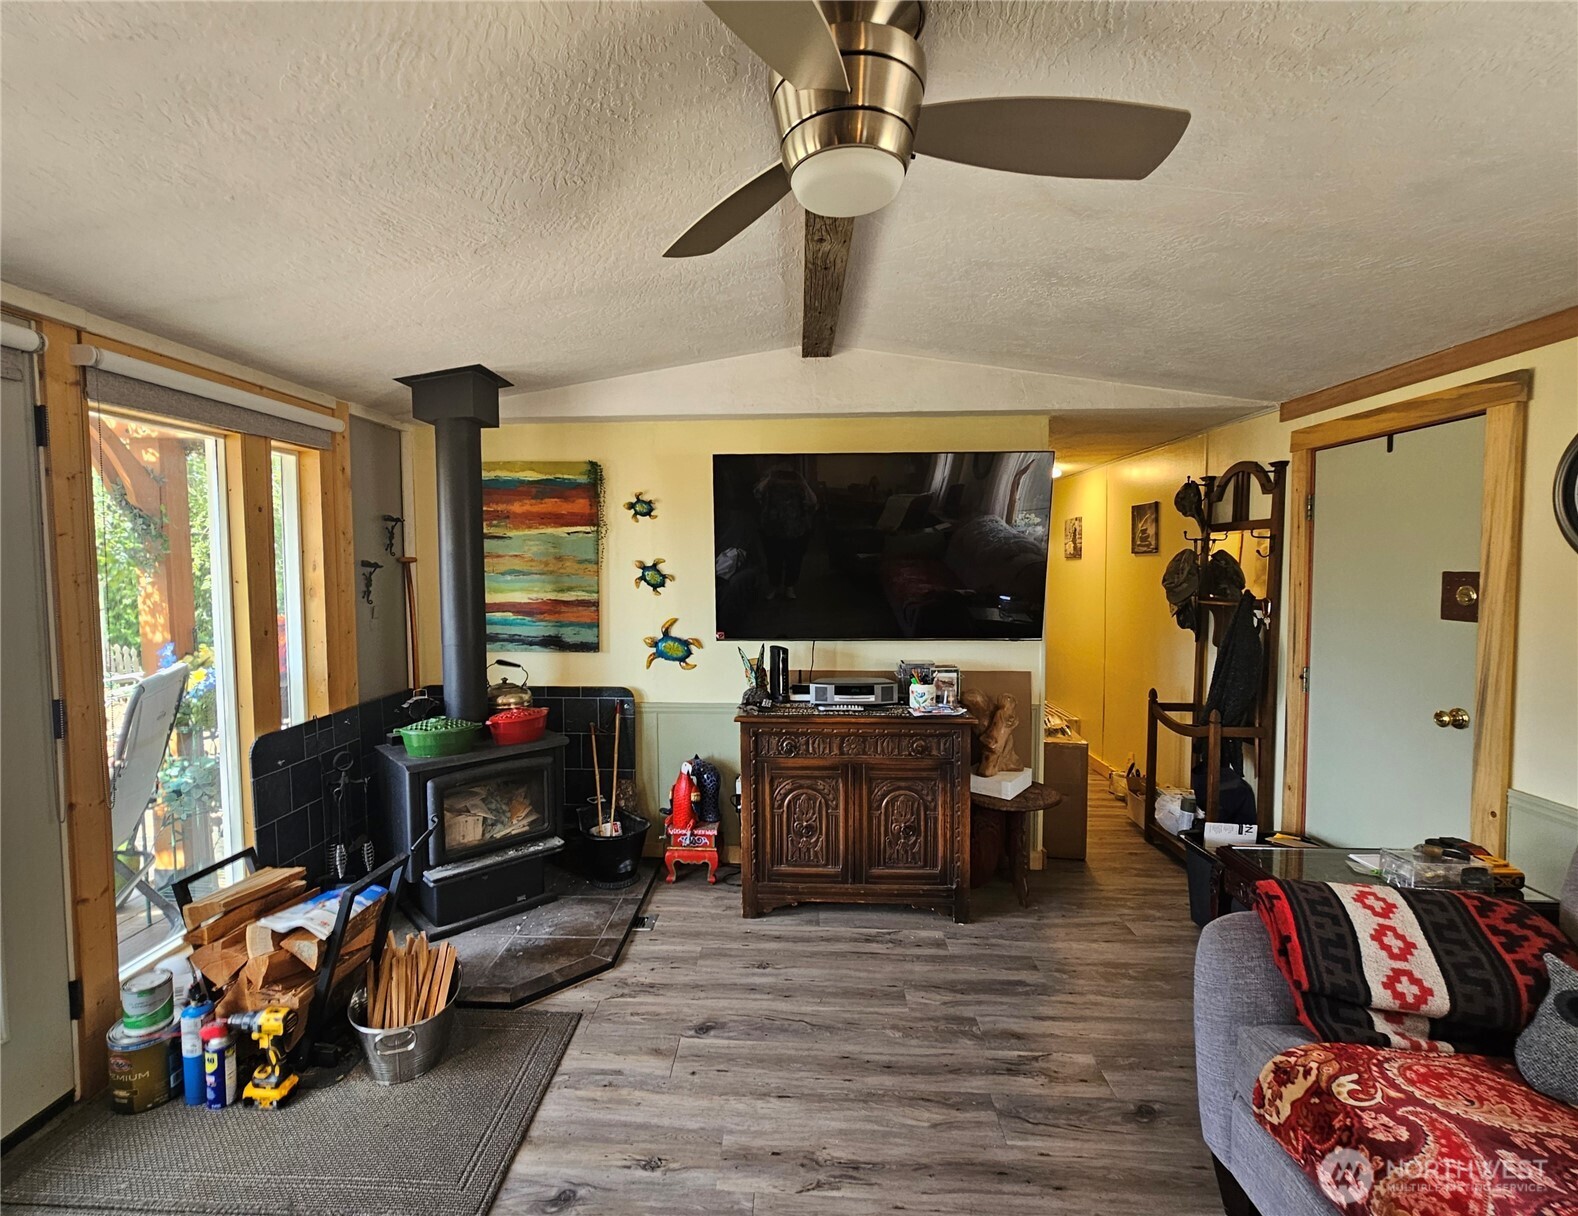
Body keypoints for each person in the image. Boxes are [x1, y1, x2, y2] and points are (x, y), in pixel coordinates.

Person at [753, 465, 817, 600]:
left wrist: (802, 481)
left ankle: (789, 586)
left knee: (793, 559)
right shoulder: (769, 482)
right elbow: (757, 493)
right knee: (773, 559)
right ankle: (774, 586)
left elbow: (812, 501)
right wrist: (770, 477)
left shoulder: (799, 484)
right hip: (772, 528)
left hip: (795, 528)